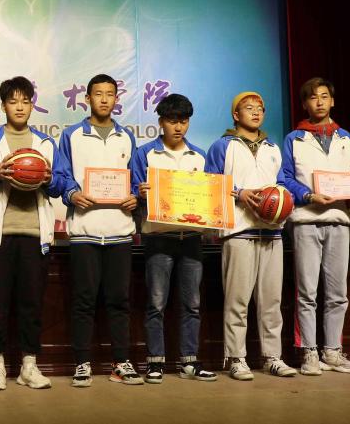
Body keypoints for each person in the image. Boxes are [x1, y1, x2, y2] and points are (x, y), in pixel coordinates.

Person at [280, 77, 350, 376]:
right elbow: (284, 178)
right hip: (305, 221)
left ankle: (333, 351)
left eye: (324, 96)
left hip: (340, 221)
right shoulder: (294, 138)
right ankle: (308, 352)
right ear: (304, 104)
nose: (319, 101)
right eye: (312, 97)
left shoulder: (346, 138)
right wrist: (308, 195)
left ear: (332, 101)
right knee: (306, 292)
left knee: (338, 292)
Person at [0, 76, 59, 390]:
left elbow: (61, 182)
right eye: (13, 101)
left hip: (35, 235)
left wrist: (48, 178)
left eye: (25, 101)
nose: (19, 107)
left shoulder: (45, 143)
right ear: (3, 105)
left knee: (31, 305)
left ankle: (28, 366)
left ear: (32, 105)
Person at [53, 74, 141, 387]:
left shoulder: (126, 136)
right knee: (83, 300)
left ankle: (121, 362)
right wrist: (72, 193)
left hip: (119, 231)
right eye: (98, 94)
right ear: (87, 98)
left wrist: (135, 196)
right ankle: (82, 363)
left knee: (119, 300)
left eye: (110, 94)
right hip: (84, 230)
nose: (104, 99)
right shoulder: (72, 135)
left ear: (117, 99)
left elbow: (136, 179)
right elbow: (61, 175)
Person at [205, 92, 296, 381]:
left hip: (272, 232)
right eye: (249, 108)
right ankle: (236, 358)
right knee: (238, 300)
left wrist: (282, 204)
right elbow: (210, 184)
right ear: (236, 114)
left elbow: (282, 185)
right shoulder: (223, 146)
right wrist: (239, 193)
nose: (256, 112)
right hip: (238, 231)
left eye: (260, 108)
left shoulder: (273, 147)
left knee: (271, 301)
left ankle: (272, 357)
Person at [131, 94, 218, 383]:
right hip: (159, 237)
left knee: (192, 303)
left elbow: (210, 196)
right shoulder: (145, 154)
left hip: (192, 238)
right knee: (156, 302)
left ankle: (189, 361)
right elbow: (131, 190)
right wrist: (140, 192)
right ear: (161, 122)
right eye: (172, 121)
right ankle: (155, 361)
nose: (178, 127)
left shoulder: (199, 156)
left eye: (183, 121)